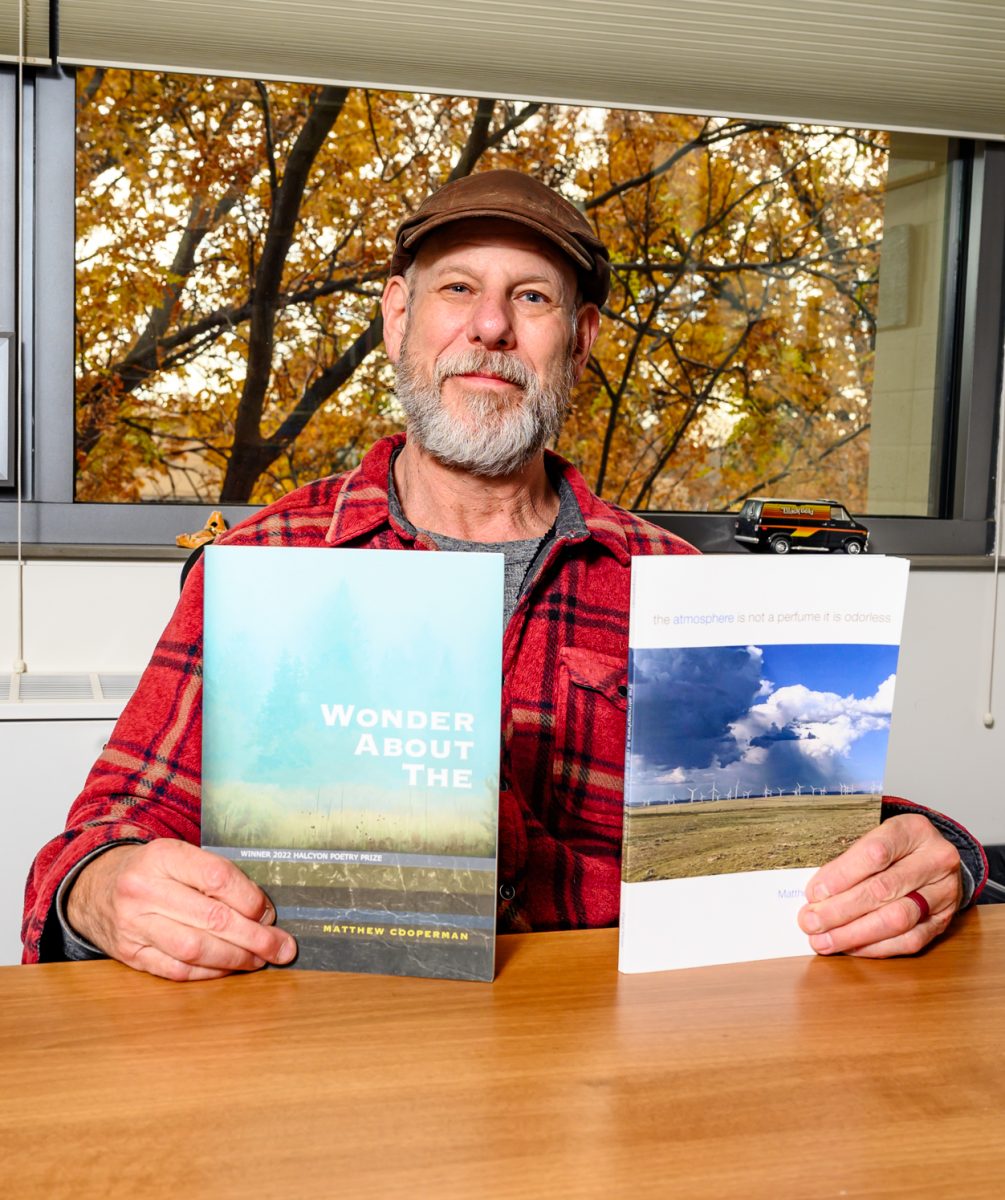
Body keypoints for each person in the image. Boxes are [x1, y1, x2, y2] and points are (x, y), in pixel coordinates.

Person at [21, 170, 986, 980]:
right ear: (399, 313)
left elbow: (794, 828)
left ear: (582, 338)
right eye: (455, 289)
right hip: (322, 1046)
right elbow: (99, 835)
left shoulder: (670, 580)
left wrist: (929, 852)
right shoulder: (262, 563)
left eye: (531, 297)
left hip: (598, 1064)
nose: (490, 325)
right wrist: (104, 891)